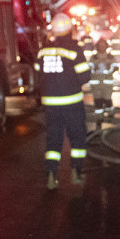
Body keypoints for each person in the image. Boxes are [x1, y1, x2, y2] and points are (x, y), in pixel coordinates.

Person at [35, 12, 92, 190]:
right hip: (71, 103)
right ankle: (76, 172)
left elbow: (37, 74)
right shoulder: (74, 49)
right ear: (70, 29)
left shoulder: (43, 51)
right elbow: (84, 76)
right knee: (77, 136)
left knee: (53, 138)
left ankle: (51, 176)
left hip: (50, 104)